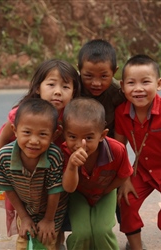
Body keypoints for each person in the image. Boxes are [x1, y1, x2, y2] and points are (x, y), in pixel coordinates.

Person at [0, 59, 80, 236]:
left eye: (65, 87)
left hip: (54, 164)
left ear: (73, 92)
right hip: (24, 164)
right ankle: (27, 226)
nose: (58, 92)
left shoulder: (70, 116)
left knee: (54, 194)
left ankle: (56, 236)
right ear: (37, 88)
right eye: (51, 84)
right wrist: (0, 166)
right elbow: (4, 135)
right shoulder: (23, 112)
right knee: (28, 196)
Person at [114, 54, 161, 250]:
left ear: (159, 84)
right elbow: (119, 149)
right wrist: (125, 179)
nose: (138, 89)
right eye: (131, 83)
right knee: (126, 202)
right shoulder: (121, 112)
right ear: (122, 87)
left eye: (145, 82)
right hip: (141, 167)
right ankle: (136, 247)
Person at [0, 98, 68, 250]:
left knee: (47, 243)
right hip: (25, 209)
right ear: (14, 130)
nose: (34, 141)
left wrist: (48, 220)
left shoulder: (54, 155)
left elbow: (54, 190)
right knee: (23, 244)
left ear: (54, 135)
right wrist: (25, 217)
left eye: (42, 134)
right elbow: (7, 188)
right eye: (27, 132)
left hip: (53, 211)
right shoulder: (4, 156)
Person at [61, 97, 133, 250]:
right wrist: (72, 166)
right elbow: (68, 188)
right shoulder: (63, 152)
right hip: (78, 193)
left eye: (88, 137)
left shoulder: (116, 150)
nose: (80, 144)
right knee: (82, 233)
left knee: (102, 231)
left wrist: (105, 190)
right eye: (72, 137)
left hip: (105, 192)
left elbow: (124, 174)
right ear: (64, 134)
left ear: (102, 135)